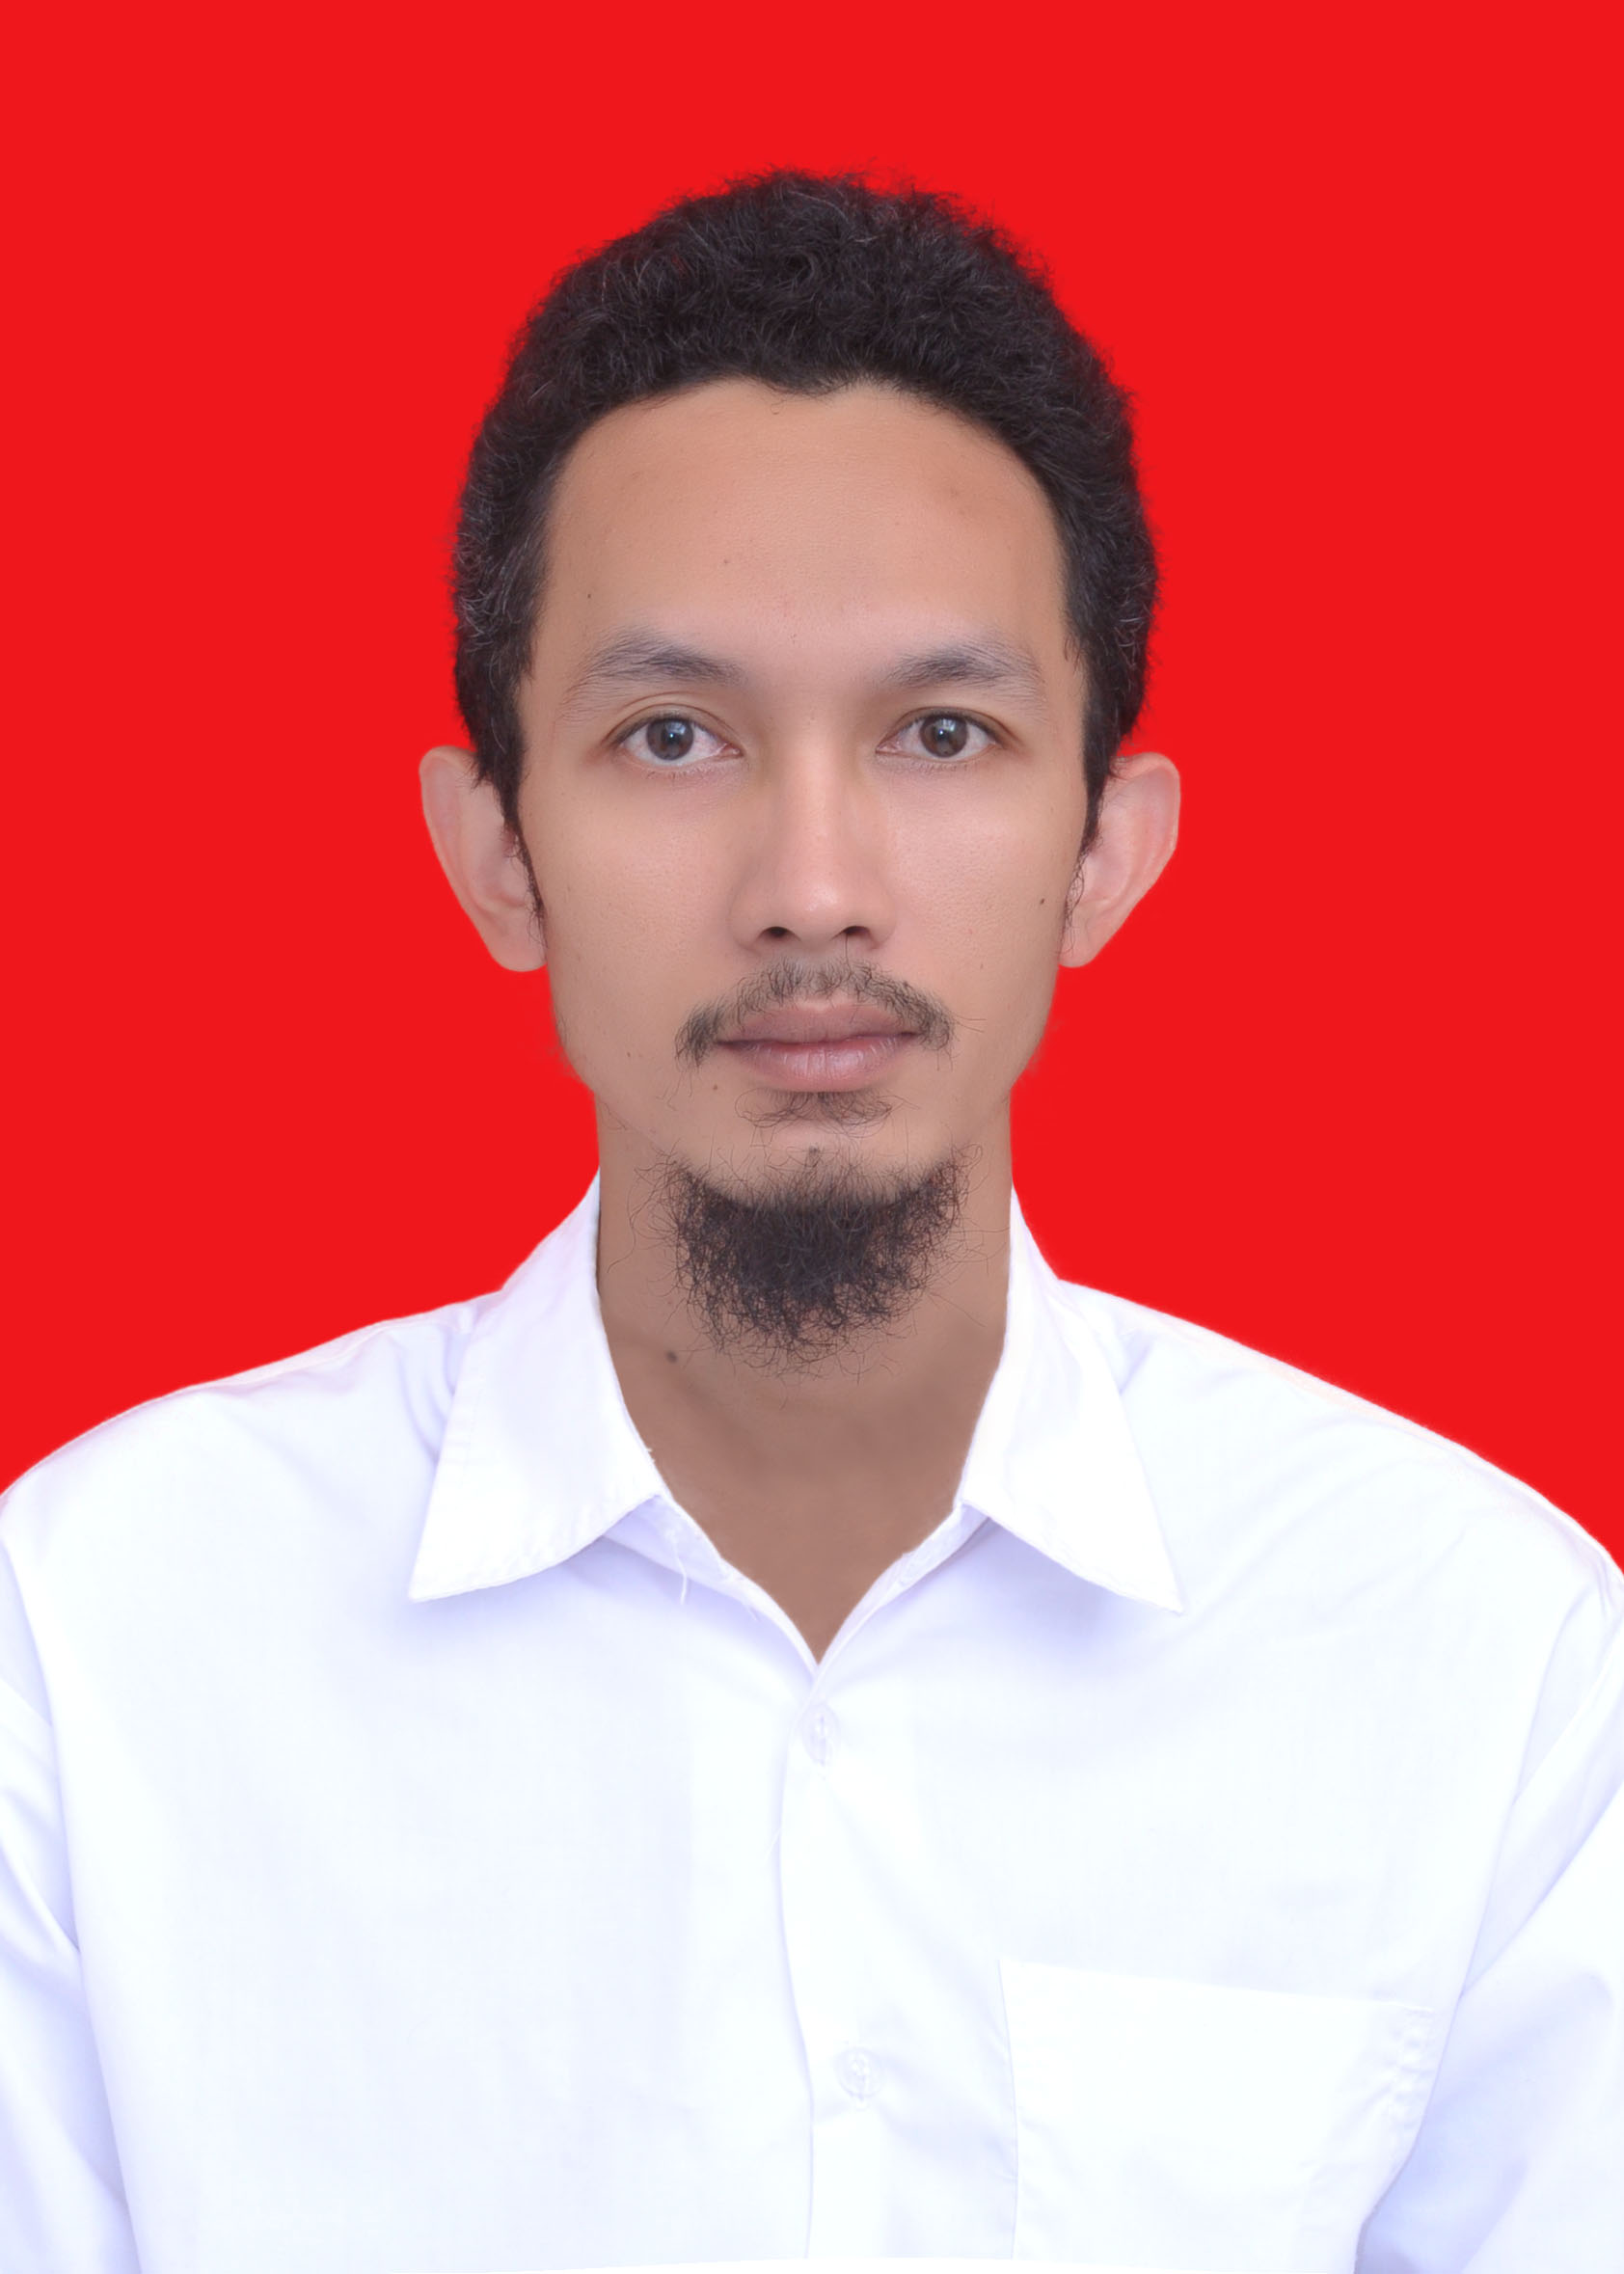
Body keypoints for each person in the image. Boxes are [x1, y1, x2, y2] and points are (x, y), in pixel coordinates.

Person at [1, 172, 1618, 2274]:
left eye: (942, 734)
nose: (814, 885)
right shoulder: (99, 1641)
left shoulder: (1474, 1661)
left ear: (1104, 851)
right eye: (672, 737)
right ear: (496, 853)